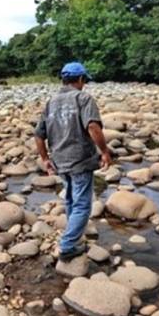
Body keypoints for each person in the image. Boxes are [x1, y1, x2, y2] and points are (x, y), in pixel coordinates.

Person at [33, 62, 112, 261]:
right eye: (84, 80)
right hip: (80, 159)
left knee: (70, 198)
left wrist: (45, 159)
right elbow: (93, 127)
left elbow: (38, 135)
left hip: (60, 160)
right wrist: (104, 151)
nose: (84, 84)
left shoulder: (51, 102)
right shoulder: (83, 98)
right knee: (82, 204)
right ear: (80, 79)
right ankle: (68, 246)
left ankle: (72, 236)